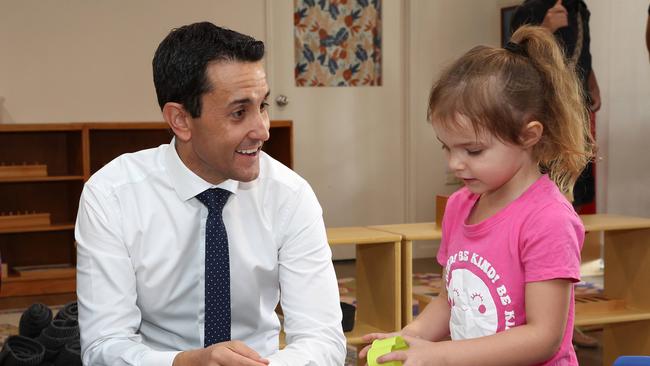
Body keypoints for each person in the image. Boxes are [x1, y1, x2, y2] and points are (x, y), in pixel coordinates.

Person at [75, 22, 346, 366]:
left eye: (262, 105)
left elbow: (322, 338)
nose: (263, 130)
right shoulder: (112, 195)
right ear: (181, 120)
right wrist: (185, 362)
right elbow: (103, 347)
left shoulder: (290, 195)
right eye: (238, 112)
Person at [360, 25, 593, 365]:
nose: (455, 164)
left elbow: (544, 337)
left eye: (473, 150)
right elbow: (447, 301)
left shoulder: (549, 220)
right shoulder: (459, 206)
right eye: (447, 147)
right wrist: (410, 337)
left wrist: (442, 357)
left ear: (529, 135)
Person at [510, 0, 599, 215]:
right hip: (543, 114)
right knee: (541, 186)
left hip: (573, 110)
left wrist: (592, 83)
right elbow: (511, 61)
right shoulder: (530, 9)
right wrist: (546, 28)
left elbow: (582, 53)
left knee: (575, 182)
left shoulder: (580, 9)